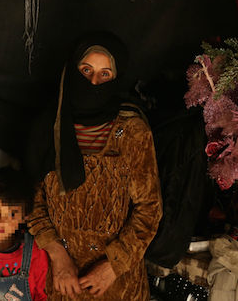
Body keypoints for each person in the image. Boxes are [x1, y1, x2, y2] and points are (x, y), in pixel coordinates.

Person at [26, 32, 162, 300]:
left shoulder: (131, 130)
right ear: (72, 69)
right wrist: (57, 255)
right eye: (86, 70)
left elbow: (150, 209)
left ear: (116, 78)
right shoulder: (49, 127)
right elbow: (31, 199)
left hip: (118, 283)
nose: (93, 82)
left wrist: (114, 265)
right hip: (63, 280)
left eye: (105, 74)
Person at [0, 167, 49, 301]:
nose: (0, 221)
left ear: (25, 216)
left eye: (11, 214)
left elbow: (41, 295)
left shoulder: (35, 252)